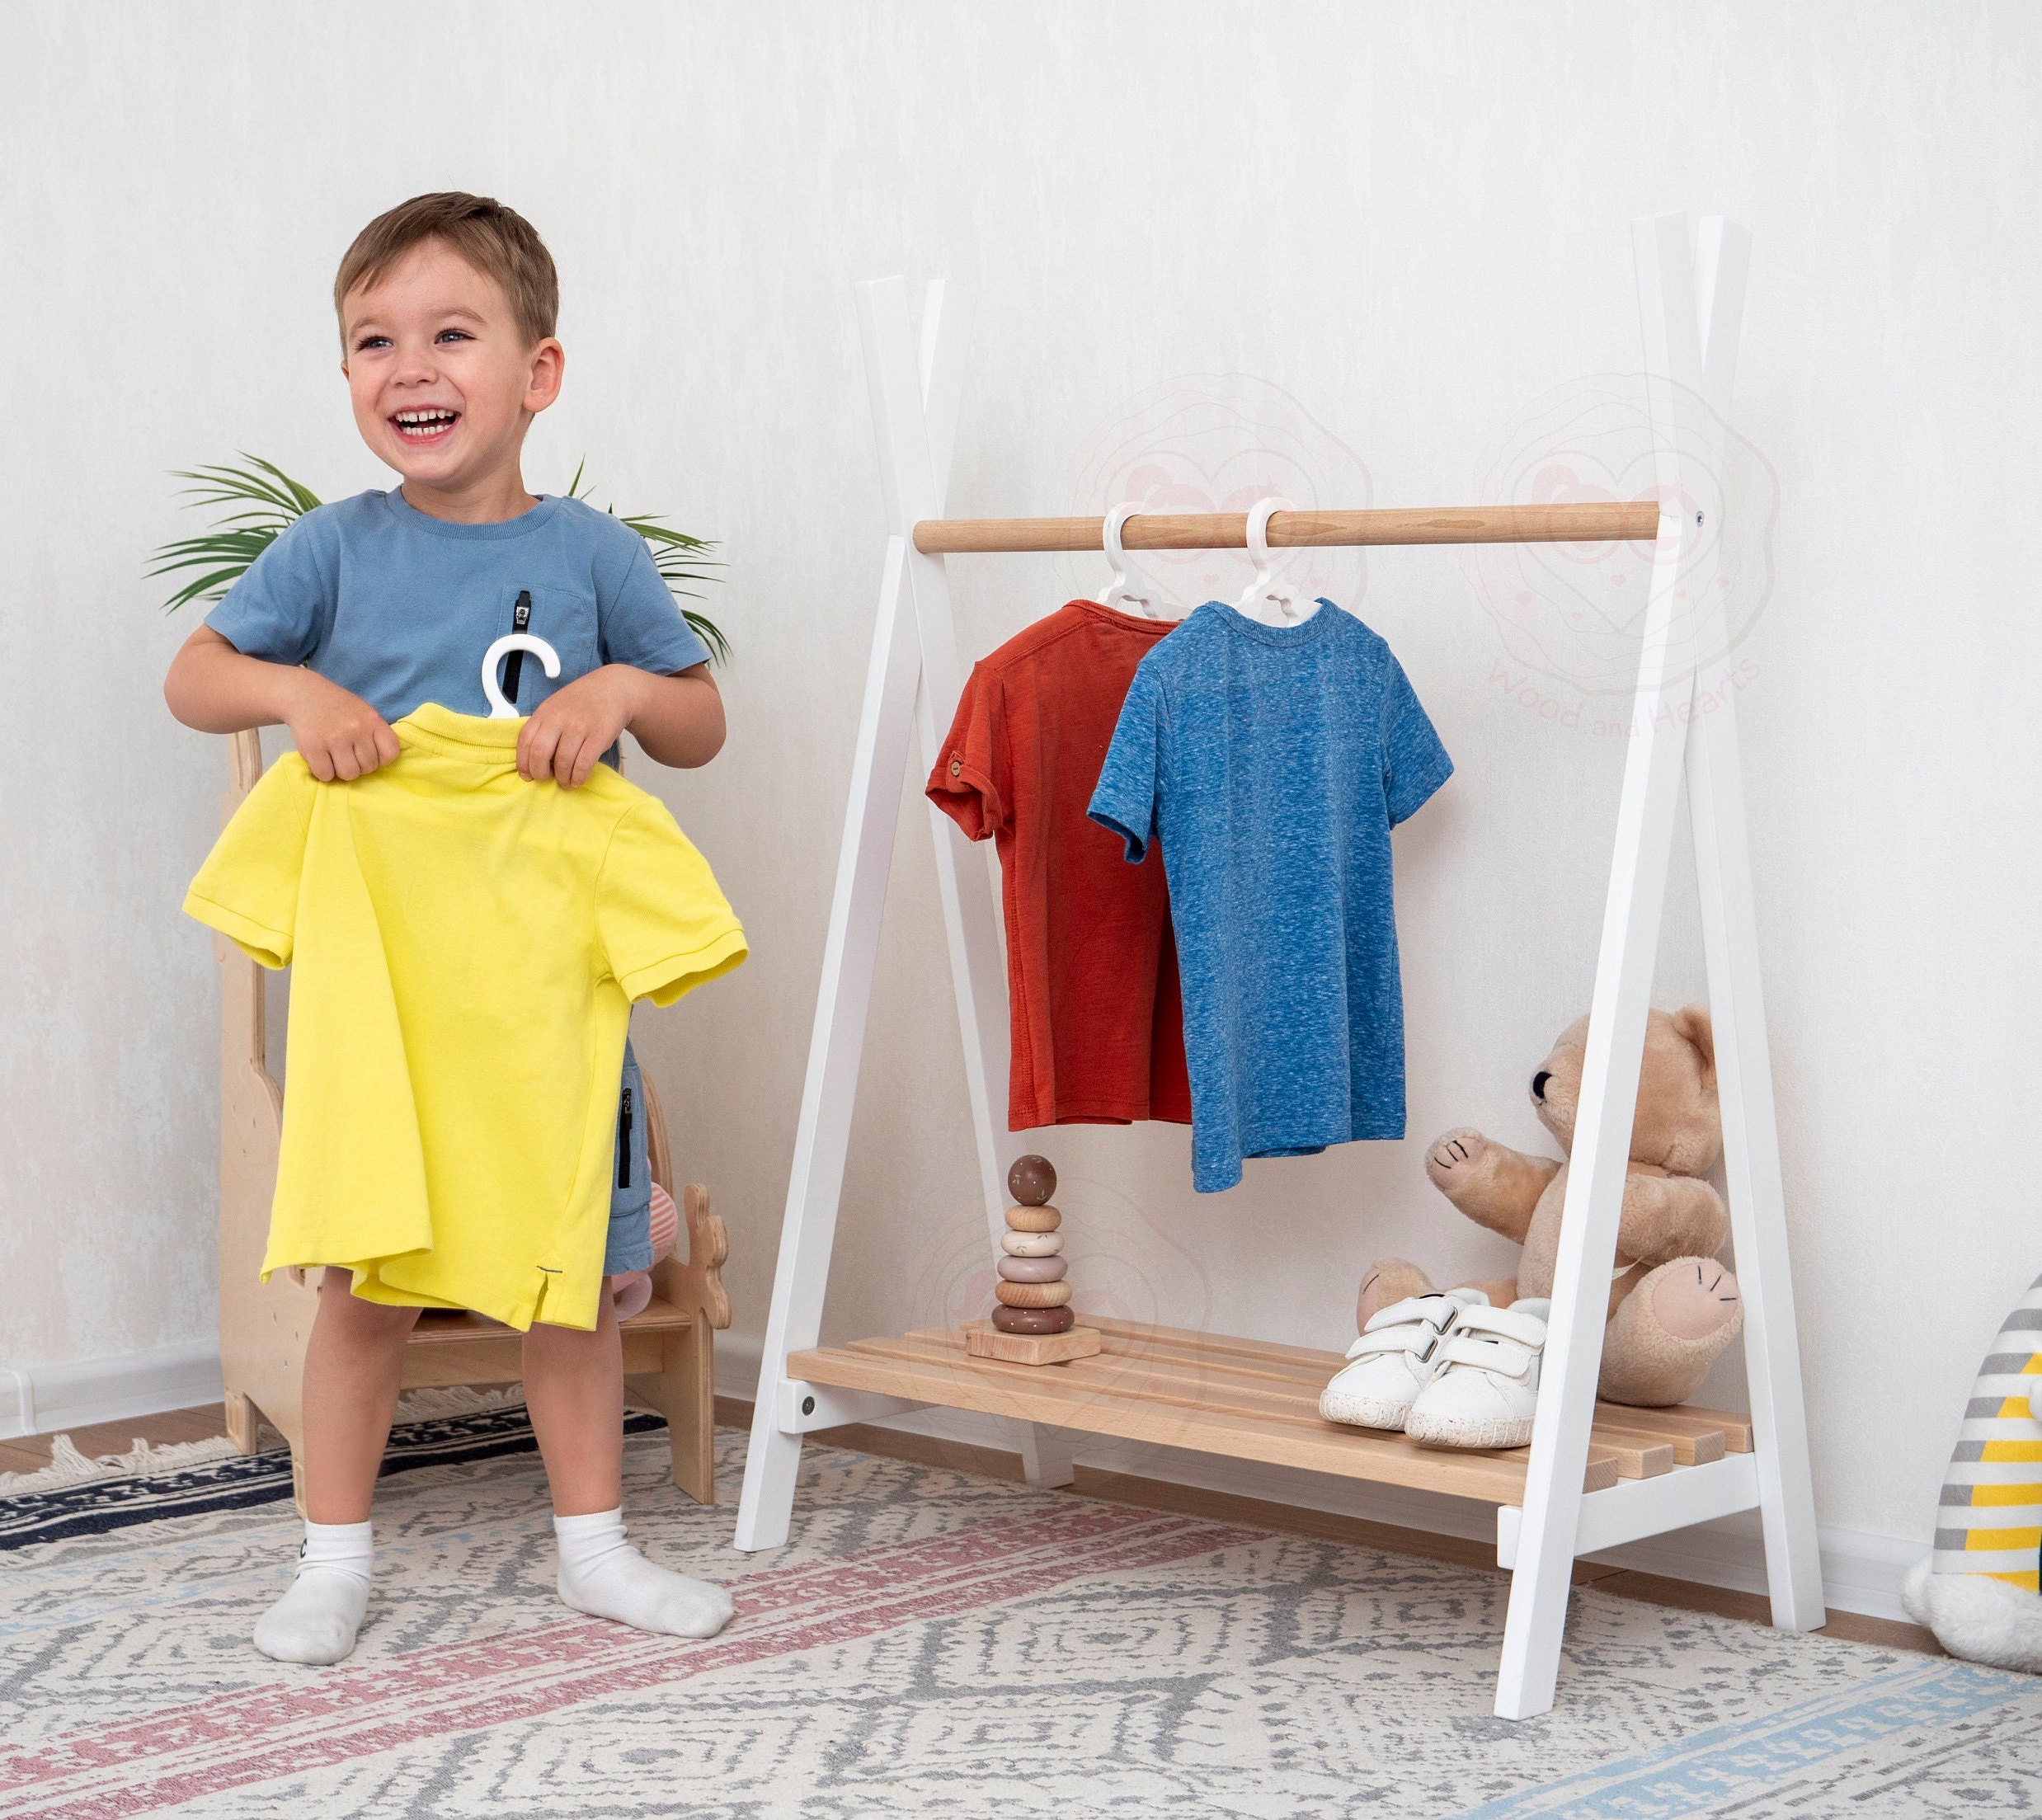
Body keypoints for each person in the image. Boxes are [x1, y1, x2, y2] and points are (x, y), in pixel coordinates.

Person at [164, 192, 732, 1665]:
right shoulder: (333, 552)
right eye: (373, 340)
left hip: (544, 1000)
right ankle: (332, 1557)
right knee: (363, 1283)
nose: (407, 365)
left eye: (450, 334)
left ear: (538, 373)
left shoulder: (596, 555)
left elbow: (702, 721)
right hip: (389, 1000)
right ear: (349, 377)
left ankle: (595, 1551)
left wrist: (617, 697)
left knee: (569, 1279)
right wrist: (298, 696)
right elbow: (196, 675)